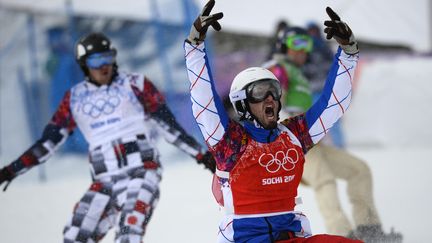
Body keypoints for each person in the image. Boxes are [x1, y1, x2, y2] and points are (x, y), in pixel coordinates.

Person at [0, 32, 215, 242]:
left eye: (108, 58)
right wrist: (12, 170)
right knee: (74, 235)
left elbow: (169, 126)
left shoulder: (135, 84)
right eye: (96, 60)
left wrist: (203, 156)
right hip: (105, 180)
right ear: (85, 64)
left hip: (141, 171)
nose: (104, 66)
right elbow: (48, 143)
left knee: (129, 231)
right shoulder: (74, 98)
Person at [184, 1, 362, 242]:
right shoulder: (230, 142)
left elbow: (333, 104)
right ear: (242, 103)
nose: (270, 98)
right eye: (259, 92)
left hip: (290, 235)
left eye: (274, 91)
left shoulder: (294, 135)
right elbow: (204, 102)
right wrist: (195, 48)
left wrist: (348, 53)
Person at [263, 26, 402, 242]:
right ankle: (343, 235)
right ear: (283, 45)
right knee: (324, 179)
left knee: (359, 170)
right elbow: (268, 110)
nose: (302, 50)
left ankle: (369, 231)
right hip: (290, 144)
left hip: (309, 142)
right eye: (296, 44)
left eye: (306, 44)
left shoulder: (297, 72)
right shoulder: (277, 70)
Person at [303, 21, 346, 148]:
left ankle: (339, 147)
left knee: (333, 120)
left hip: (326, 91)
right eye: (310, 32)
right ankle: (316, 148)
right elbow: (303, 70)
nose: (312, 35)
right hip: (312, 92)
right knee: (313, 121)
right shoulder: (305, 50)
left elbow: (333, 67)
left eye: (314, 32)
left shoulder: (324, 49)